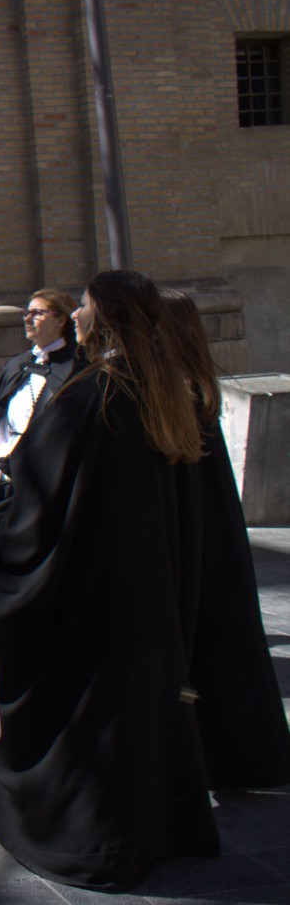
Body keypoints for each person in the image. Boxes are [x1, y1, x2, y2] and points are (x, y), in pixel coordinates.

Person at [0, 270, 221, 890]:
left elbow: (32, 509)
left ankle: (96, 841)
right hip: (148, 592)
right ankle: (160, 832)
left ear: (103, 316)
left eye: (82, 307)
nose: (77, 316)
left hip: (88, 590)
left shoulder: (92, 395)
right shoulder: (160, 390)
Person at [158, 288, 290, 790]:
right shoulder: (198, 385)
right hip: (218, 544)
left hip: (201, 544)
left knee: (211, 658)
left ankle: (228, 759)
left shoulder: (180, 391)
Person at [0, 289, 80, 476]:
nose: (28, 319)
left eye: (38, 313)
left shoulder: (75, 367)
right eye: (26, 313)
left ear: (61, 319)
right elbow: (2, 429)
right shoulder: (16, 366)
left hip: (51, 469)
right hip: (9, 466)